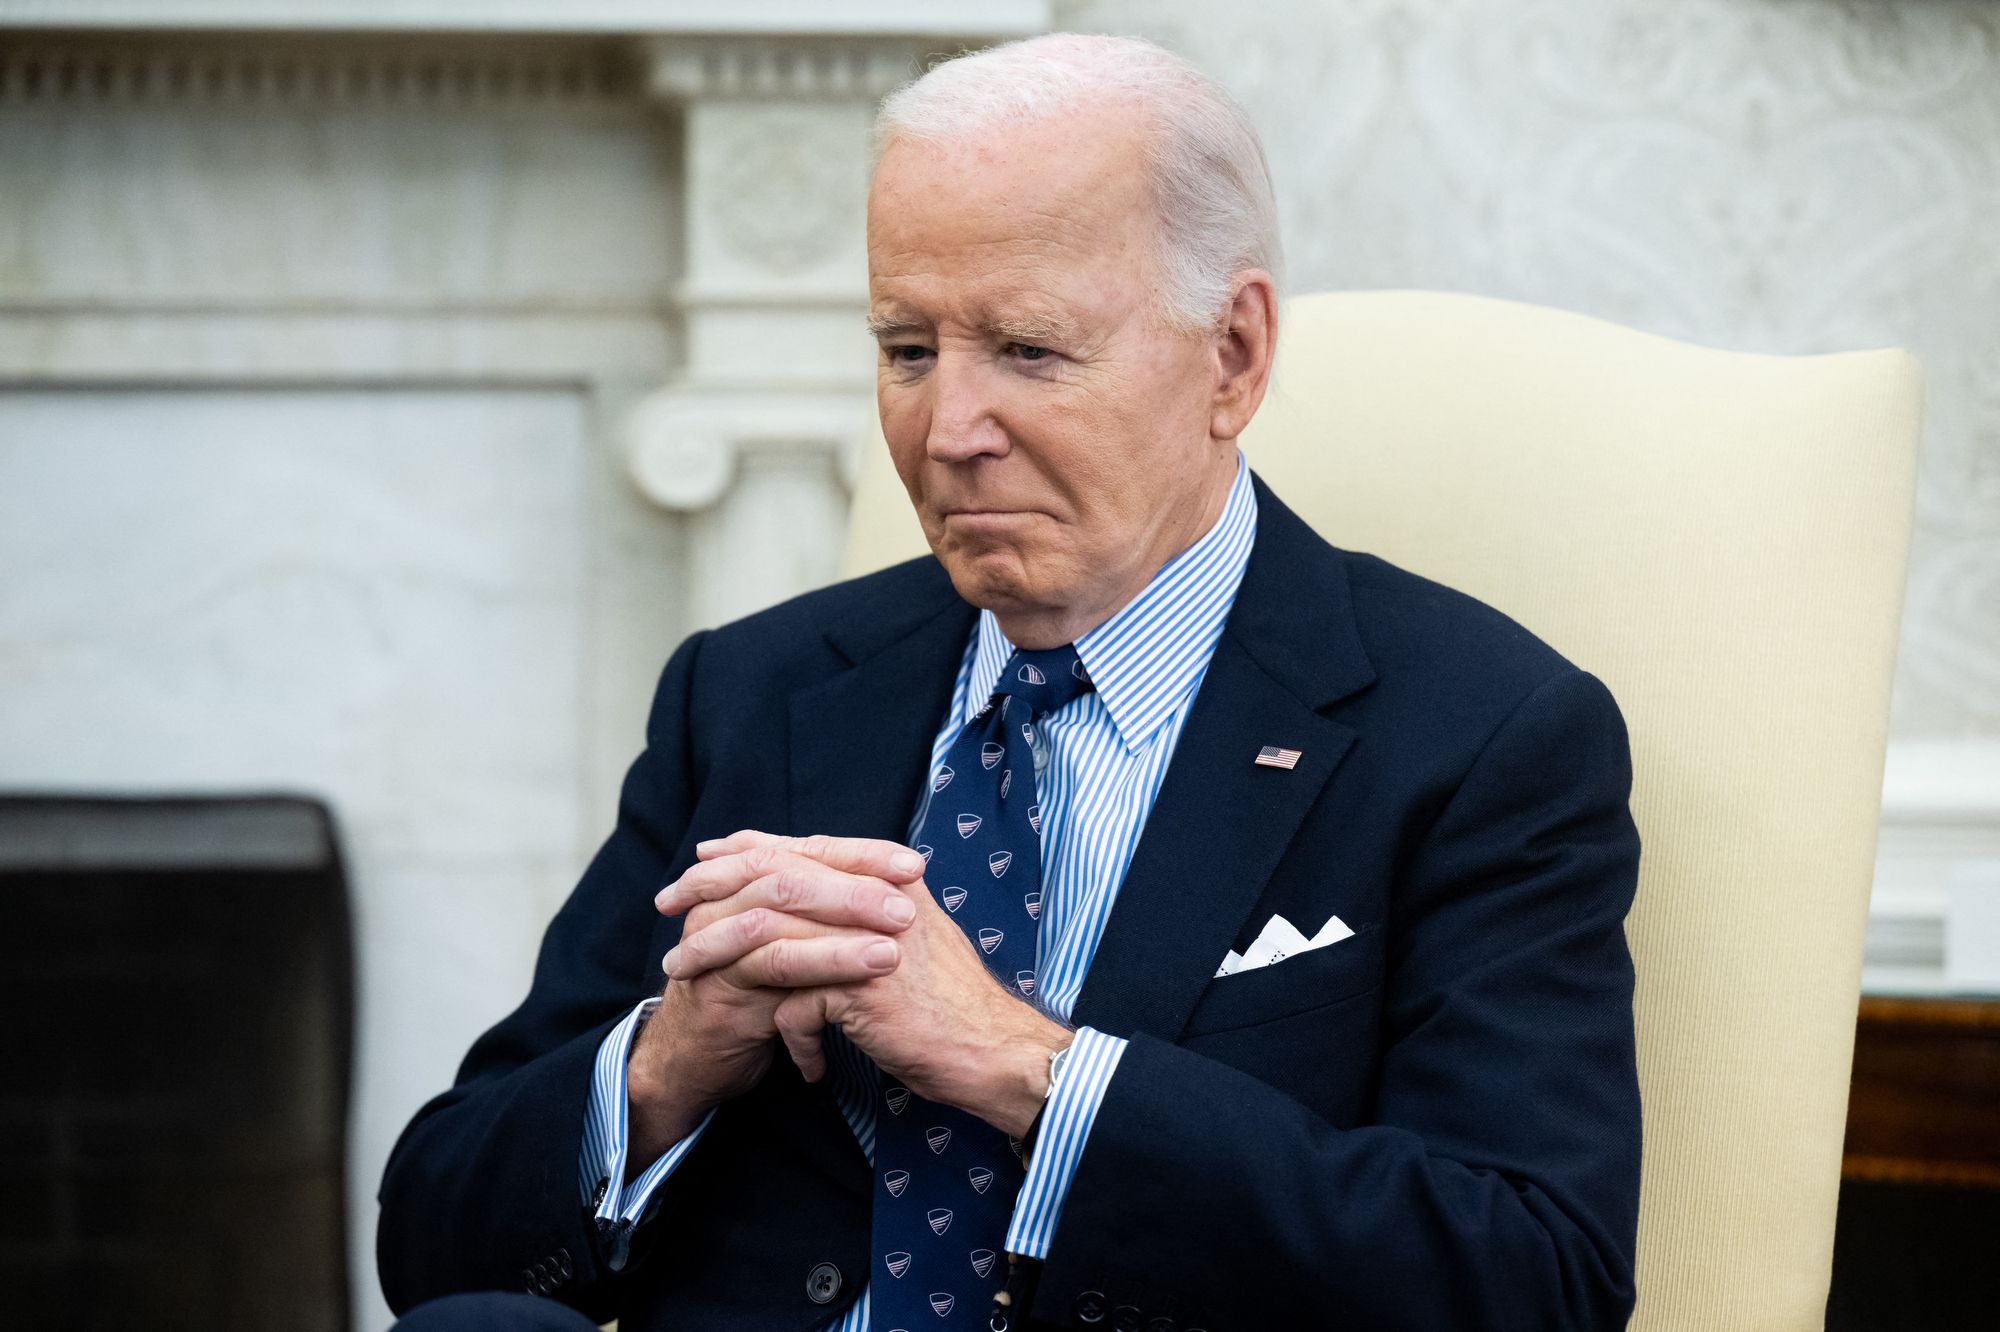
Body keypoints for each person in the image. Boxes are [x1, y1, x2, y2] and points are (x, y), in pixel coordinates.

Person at [377, 32, 1642, 1332]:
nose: (948, 430)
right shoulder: (754, 690)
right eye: (909, 349)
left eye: (1029, 351)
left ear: (1234, 356)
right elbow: (430, 1238)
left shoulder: (1479, 735)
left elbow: (1532, 1277)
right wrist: (671, 1060)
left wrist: (1027, 1067)